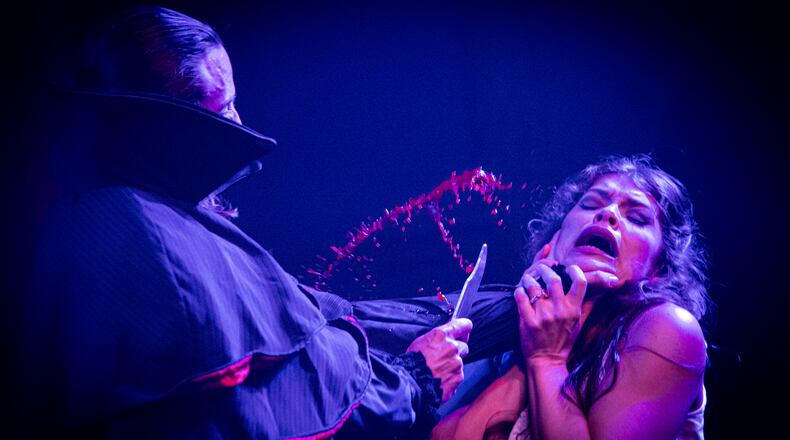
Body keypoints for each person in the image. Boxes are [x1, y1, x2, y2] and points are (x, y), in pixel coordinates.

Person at [17, 6, 474, 438]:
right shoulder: (139, 235)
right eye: (222, 110)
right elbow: (279, 406)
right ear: (170, 131)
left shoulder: (101, 213)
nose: (237, 124)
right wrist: (415, 380)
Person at [431, 155, 711, 439]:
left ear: (659, 269)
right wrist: (529, 343)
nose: (607, 213)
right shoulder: (523, 339)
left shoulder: (668, 328)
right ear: (553, 243)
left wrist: (548, 359)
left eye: (637, 218)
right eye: (590, 204)